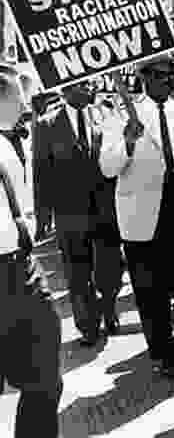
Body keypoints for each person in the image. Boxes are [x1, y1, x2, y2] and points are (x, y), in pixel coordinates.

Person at [100, 55, 174, 378]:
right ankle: (163, 349)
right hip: (142, 215)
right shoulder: (120, 117)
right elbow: (107, 167)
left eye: (173, 74)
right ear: (144, 77)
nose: (169, 80)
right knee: (150, 290)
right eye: (160, 75)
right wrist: (128, 142)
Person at [34, 80, 123, 346]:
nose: (89, 89)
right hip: (69, 212)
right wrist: (43, 216)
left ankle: (108, 309)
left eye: (90, 84)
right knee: (77, 272)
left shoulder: (105, 116)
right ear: (65, 89)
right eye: (82, 85)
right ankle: (88, 326)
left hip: (105, 209)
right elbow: (41, 172)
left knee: (110, 267)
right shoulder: (46, 124)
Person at [0, 73, 62, 438]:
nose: (27, 104)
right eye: (18, 98)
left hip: (23, 271)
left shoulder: (10, 145)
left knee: (45, 378)